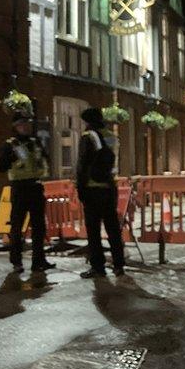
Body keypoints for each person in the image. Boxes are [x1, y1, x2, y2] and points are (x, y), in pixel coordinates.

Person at [0, 113, 56, 274]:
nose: (26, 127)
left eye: (27, 124)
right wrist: (12, 156)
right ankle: (16, 261)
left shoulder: (35, 142)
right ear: (15, 127)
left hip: (36, 187)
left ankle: (39, 260)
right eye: (22, 124)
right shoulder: (10, 144)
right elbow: (1, 167)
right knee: (17, 226)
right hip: (20, 188)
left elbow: (45, 158)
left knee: (39, 227)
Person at [75, 107, 126, 278]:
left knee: (94, 230)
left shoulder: (88, 136)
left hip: (92, 188)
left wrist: (80, 187)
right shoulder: (111, 136)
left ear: (87, 121)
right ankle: (119, 264)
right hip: (109, 187)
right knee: (112, 228)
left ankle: (98, 266)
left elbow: (82, 164)